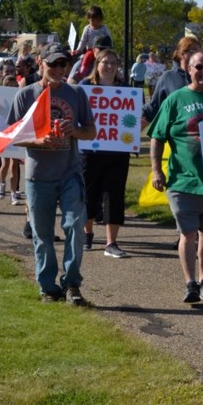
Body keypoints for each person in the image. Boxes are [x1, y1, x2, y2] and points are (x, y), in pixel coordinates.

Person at [8, 43, 96, 305]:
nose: (59, 69)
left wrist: (75, 131)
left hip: (70, 172)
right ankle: (48, 287)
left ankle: (71, 284)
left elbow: (91, 131)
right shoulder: (25, 96)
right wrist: (38, 142)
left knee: (74, 227)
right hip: (38, 176)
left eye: (63, 64)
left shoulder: (76, 93)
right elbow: (14, 137)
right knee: (43, 235)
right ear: (40, 63)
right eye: (53, 64)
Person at [147, 50, 203, 304]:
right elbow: (157, 136)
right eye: (199, 67)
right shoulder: (175, 99)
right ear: (189, 69)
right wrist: (156, 170)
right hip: (183, 180)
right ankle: (190, 283)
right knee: (188, 233)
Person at [80, 49, 132, 258]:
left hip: (117, 152)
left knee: (114, 195)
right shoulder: (85, 87)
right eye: (105, 62)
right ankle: (87, 233)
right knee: (88, 194)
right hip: (90, 150)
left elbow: (132, 116)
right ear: (97, 64)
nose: (109, 66)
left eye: (113, 62)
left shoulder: (125, 89)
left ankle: (111, 242)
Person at [142, 36, 202, 124]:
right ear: (181, 53)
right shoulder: (168, 77)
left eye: (199, 51)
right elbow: (154, 107)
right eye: (192, 51)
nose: (197, 55)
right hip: (176, 133)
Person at [0, 70, 22, 205]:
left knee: (14, 165)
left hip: (15, 132)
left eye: (14, 86)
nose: (12, 89)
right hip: (4, 132)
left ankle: (13, 192)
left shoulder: (21, 97)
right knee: (4, 163)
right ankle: (2, 184)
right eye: (9, 86)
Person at [70, 6, 113, 83]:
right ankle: (83, 70)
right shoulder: (87, 29)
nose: (95, 23)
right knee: (87, 56)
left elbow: (109, 39)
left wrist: (110, 50)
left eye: (97, 20)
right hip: (91, 50)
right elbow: (83, 40)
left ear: (101, 20)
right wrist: (79, 49)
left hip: (103, 50)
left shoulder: (104, 28)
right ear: (88, 19)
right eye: (92, 20)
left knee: (111, 60)